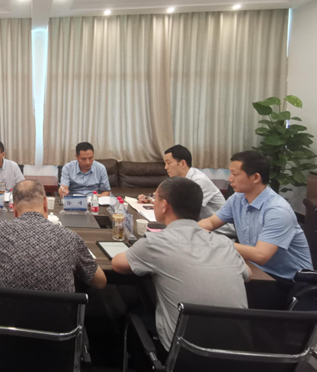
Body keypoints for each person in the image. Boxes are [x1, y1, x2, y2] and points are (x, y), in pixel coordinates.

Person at [112, 177, 250, 352]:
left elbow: (117, 264)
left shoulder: (156, 242)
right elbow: (247, 274)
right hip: (237, 354)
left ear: (164, 205)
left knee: (133, 311)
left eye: (155, 198)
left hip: (183, 355)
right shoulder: (225, 243)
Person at [199, 151, 313, 284]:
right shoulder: (237, 198)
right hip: (255, 268)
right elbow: (211, 222)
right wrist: (190, 230)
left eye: (235, 174)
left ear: (255, 177)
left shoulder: (277, 210)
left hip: (288, 280)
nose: (230, 179)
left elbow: (261, 255)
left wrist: (216, 241)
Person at [0, 179, 107, 291]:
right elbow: (100, 282)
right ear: (45, 203)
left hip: (5, 308)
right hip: (59, 308)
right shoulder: (70, 238)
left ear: (14, 209)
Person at [139, 145, 235, 236]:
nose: (165, 167)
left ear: (182, 163)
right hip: (198, 227)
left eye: (168, 163)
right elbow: (170, 200)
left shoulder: (199, 181)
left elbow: (179, 209)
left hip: (219, 231)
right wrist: (150, 199)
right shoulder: (181, 180)